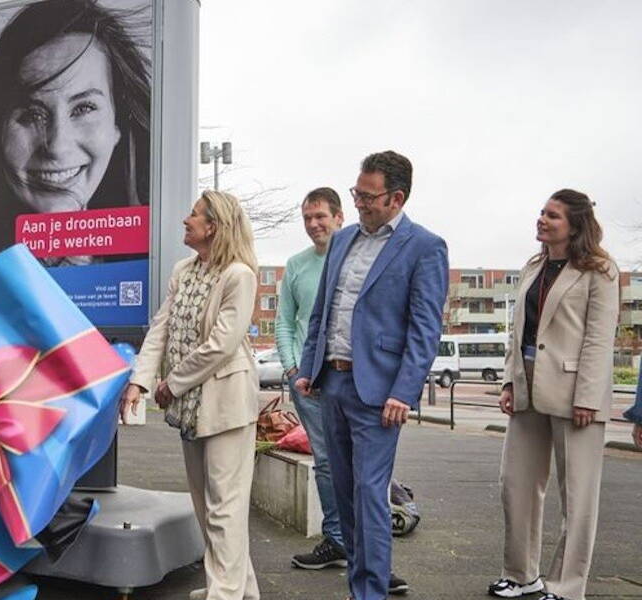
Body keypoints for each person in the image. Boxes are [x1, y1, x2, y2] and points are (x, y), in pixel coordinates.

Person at [294, 151, 448, 600]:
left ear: (395, 198)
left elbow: (425, 329)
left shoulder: (424, 246)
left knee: (369, 494)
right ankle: (358, 583)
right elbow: (324, 311)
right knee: (343, 495)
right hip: (333, 383)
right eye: (355, 192)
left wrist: (405, 391)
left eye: (367, 195)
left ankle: (370, 591)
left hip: (379, 394)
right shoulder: (342, 241)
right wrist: (309, 368)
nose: (358, 201)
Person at [121, 190, 261, 600]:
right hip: (191, 408)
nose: (186, 220)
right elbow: (161, 329)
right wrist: (140, 380)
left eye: (194, 215)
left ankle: (225, 593)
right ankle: (240, 588)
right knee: (207, 507)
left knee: (225, 507)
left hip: (227, 404)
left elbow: (222, 343)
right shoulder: (184, 270)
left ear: (213, 226)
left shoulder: (240, 275)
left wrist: (171, 383)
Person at [490, 190, 619, 600]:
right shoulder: (533, 267)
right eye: (542, 212)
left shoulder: (600, 271)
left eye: (553, 215)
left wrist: (588, 397)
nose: (542, 219)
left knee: (578, 496)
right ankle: (522, 575)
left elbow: (599, 340)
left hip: (575, 394)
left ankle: (565, 587)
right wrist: (510, 381)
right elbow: (519, 332)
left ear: (575, 224)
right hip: (528, 388)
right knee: (516, 484)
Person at [0, 0, 151, 266]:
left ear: (117, 125)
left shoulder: (149, 258)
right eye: (32, 114)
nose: (56, 145)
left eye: (84, 108)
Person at [276, 188, 348, 569]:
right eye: (307, 218)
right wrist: (292, 369)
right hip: (309, 382)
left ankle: (365, 545)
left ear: (339, 217)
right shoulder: (296, 264)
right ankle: (335, 539)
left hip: (351, 379)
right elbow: (285, 321)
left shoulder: (356, 259)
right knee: (324, 462)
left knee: (358, 463)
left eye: (320, 216)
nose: (313, 224)